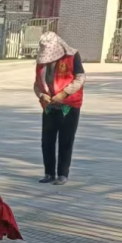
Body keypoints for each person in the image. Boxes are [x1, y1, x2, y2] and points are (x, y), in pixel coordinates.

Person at [34, 32, 85, 185]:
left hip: (68, 105)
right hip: (49, 106)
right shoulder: (41, 61)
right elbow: (36, 84)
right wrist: (41, 95)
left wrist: (64, 93)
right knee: (47, 141)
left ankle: (63, 174)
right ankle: (49, 173)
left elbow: (80, 78)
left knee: (65, 140)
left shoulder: (72, 56)